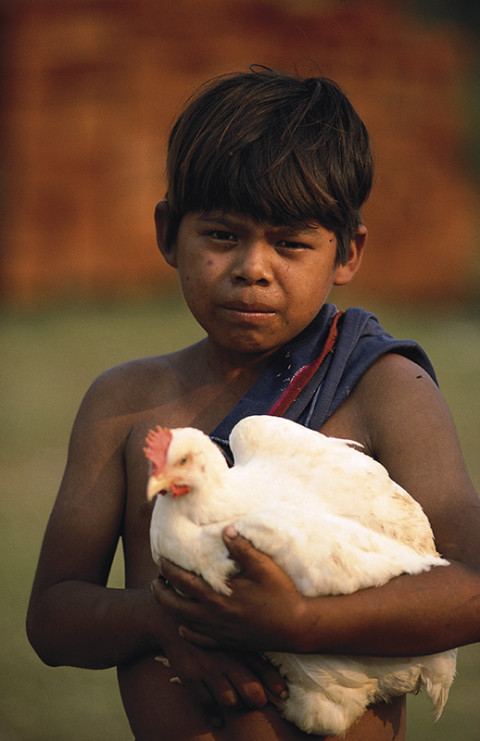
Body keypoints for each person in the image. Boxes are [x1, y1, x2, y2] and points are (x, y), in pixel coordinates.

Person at [26, 67, 480, 741]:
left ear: (348, 251)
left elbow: (472, 585)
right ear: (168, 233)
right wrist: (157, 619)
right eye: (221, 236)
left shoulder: (384, 390)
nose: (253, 267)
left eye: (291, 242)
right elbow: (53, 617)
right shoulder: (125, 406)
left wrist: (301, 623)